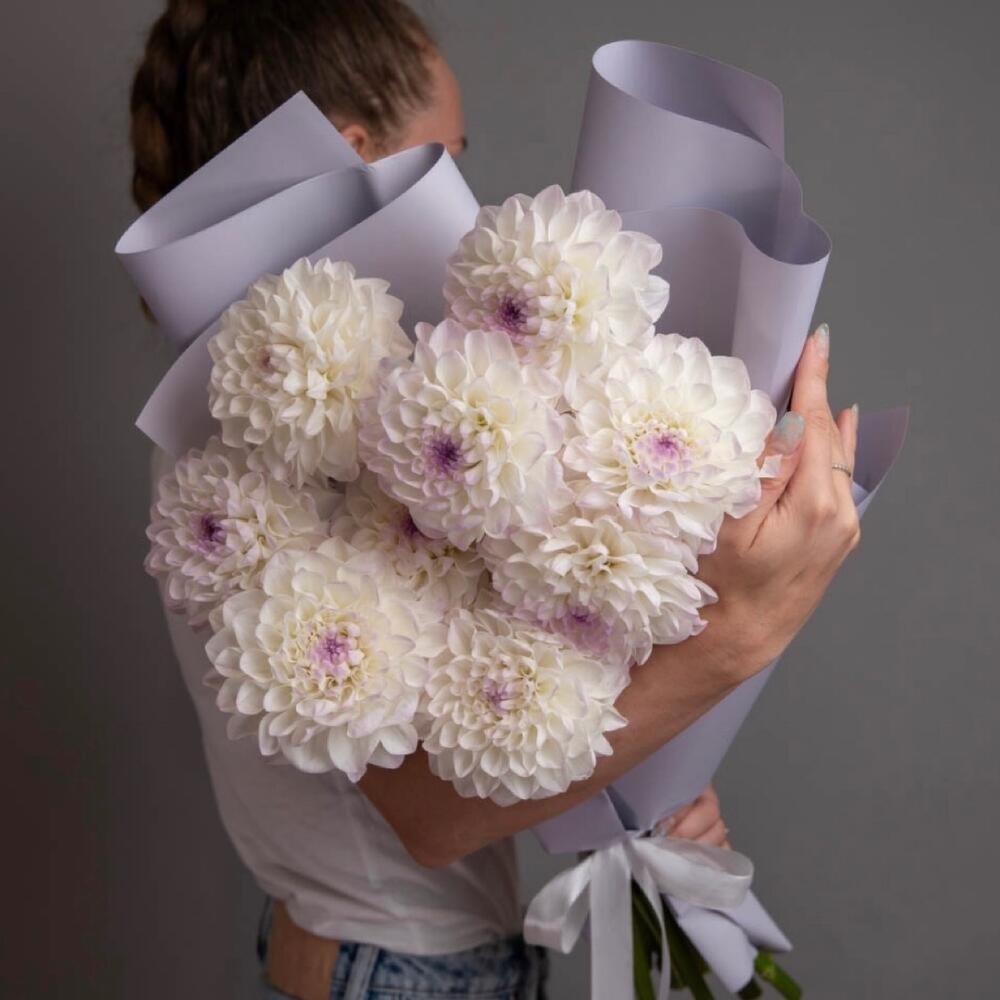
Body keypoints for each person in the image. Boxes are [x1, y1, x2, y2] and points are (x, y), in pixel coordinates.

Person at [131, 2, 860, 997]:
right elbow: (432, 819)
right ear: (357, 154)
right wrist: (737, 633)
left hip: (396, 959)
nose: (464, 190)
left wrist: (641, 779)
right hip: (397, 968)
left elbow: (473, 698)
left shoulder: (265, 402)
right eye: (449, 152)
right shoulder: (279, 435)